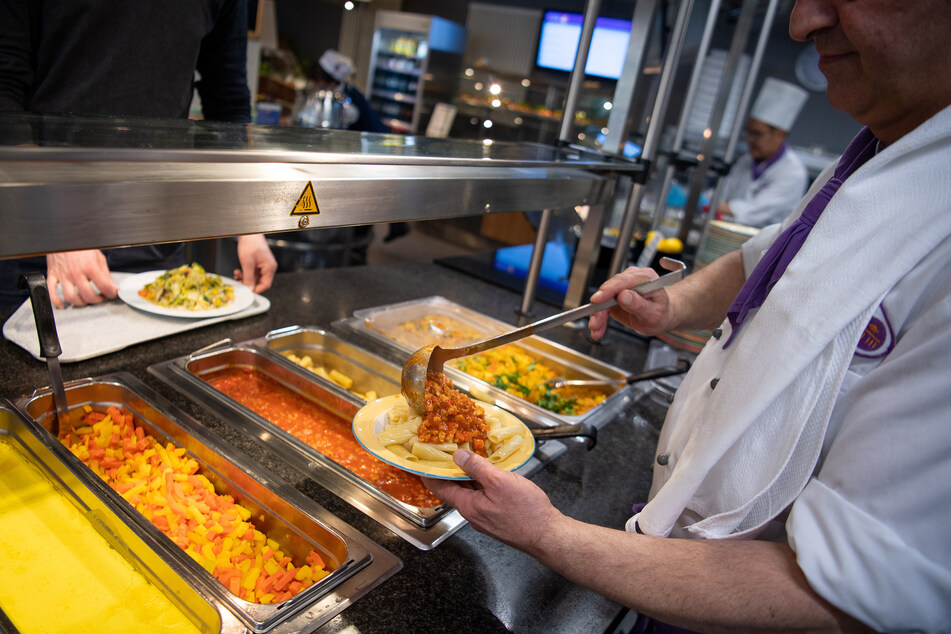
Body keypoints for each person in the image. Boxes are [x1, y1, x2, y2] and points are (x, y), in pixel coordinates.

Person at [424, 0, 951, 630]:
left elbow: (848, 595)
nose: (802, 22)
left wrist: (549, 535)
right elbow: (769, 259)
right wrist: (670, 303)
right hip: (676, 550)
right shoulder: (879, 155)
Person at [0, 0, 277, 310]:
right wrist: (55, 223)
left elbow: (227, 101)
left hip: (154, 231)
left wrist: (250, 223)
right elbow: (4, 90)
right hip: (38, 232)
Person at [715, 78, 810, 228]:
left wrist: (708, 203)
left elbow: (752, 213)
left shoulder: (793, 173)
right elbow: (723, 194)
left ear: (780, 135)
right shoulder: (745, 161)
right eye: (748, 134)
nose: (749, 140)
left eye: (757, 134)